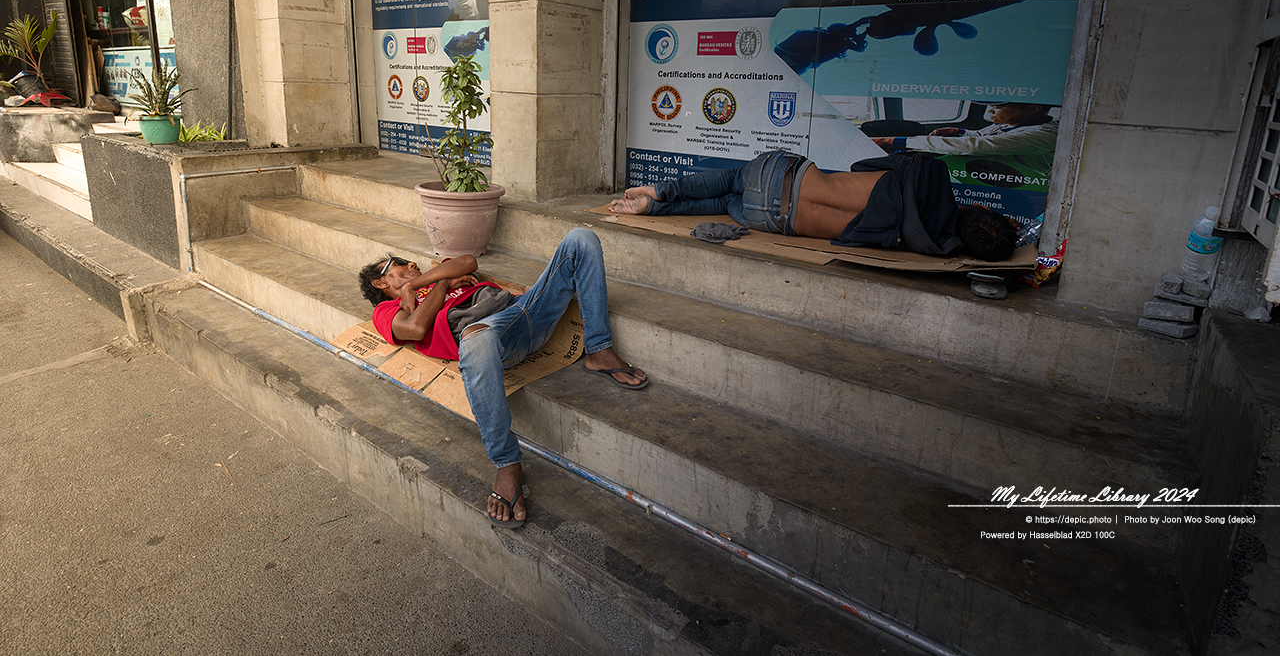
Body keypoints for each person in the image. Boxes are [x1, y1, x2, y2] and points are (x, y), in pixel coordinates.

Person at [358, 228, 647, 528]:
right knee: (475, 339)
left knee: (580, 239)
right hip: (491, 338)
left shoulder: (430, 278)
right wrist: (441, 285)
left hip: (523, 309)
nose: (411, 263)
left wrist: (420, 283)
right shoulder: (387, 310)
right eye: (398, 264)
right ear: (380, 282)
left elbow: (468, 261)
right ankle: (507, 463)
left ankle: (598, 349)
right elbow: (416, 328)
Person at [609, 150, 1019, 261]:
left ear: (978, 210)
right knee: (724, 202)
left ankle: (658, 191)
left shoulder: (926, 175)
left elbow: (863, 166)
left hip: (783, 175)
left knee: (733, 180)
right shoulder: (921, 243)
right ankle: (654, 210)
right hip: (773, 220)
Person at [870, 102, 1059, 179]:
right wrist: (959, 131)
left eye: (998, 106)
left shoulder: (1041, 135)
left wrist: (894, 141)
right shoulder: (1012, 123)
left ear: (1033, 109)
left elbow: (977, 146)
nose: (990, 111)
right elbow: (982, 136)